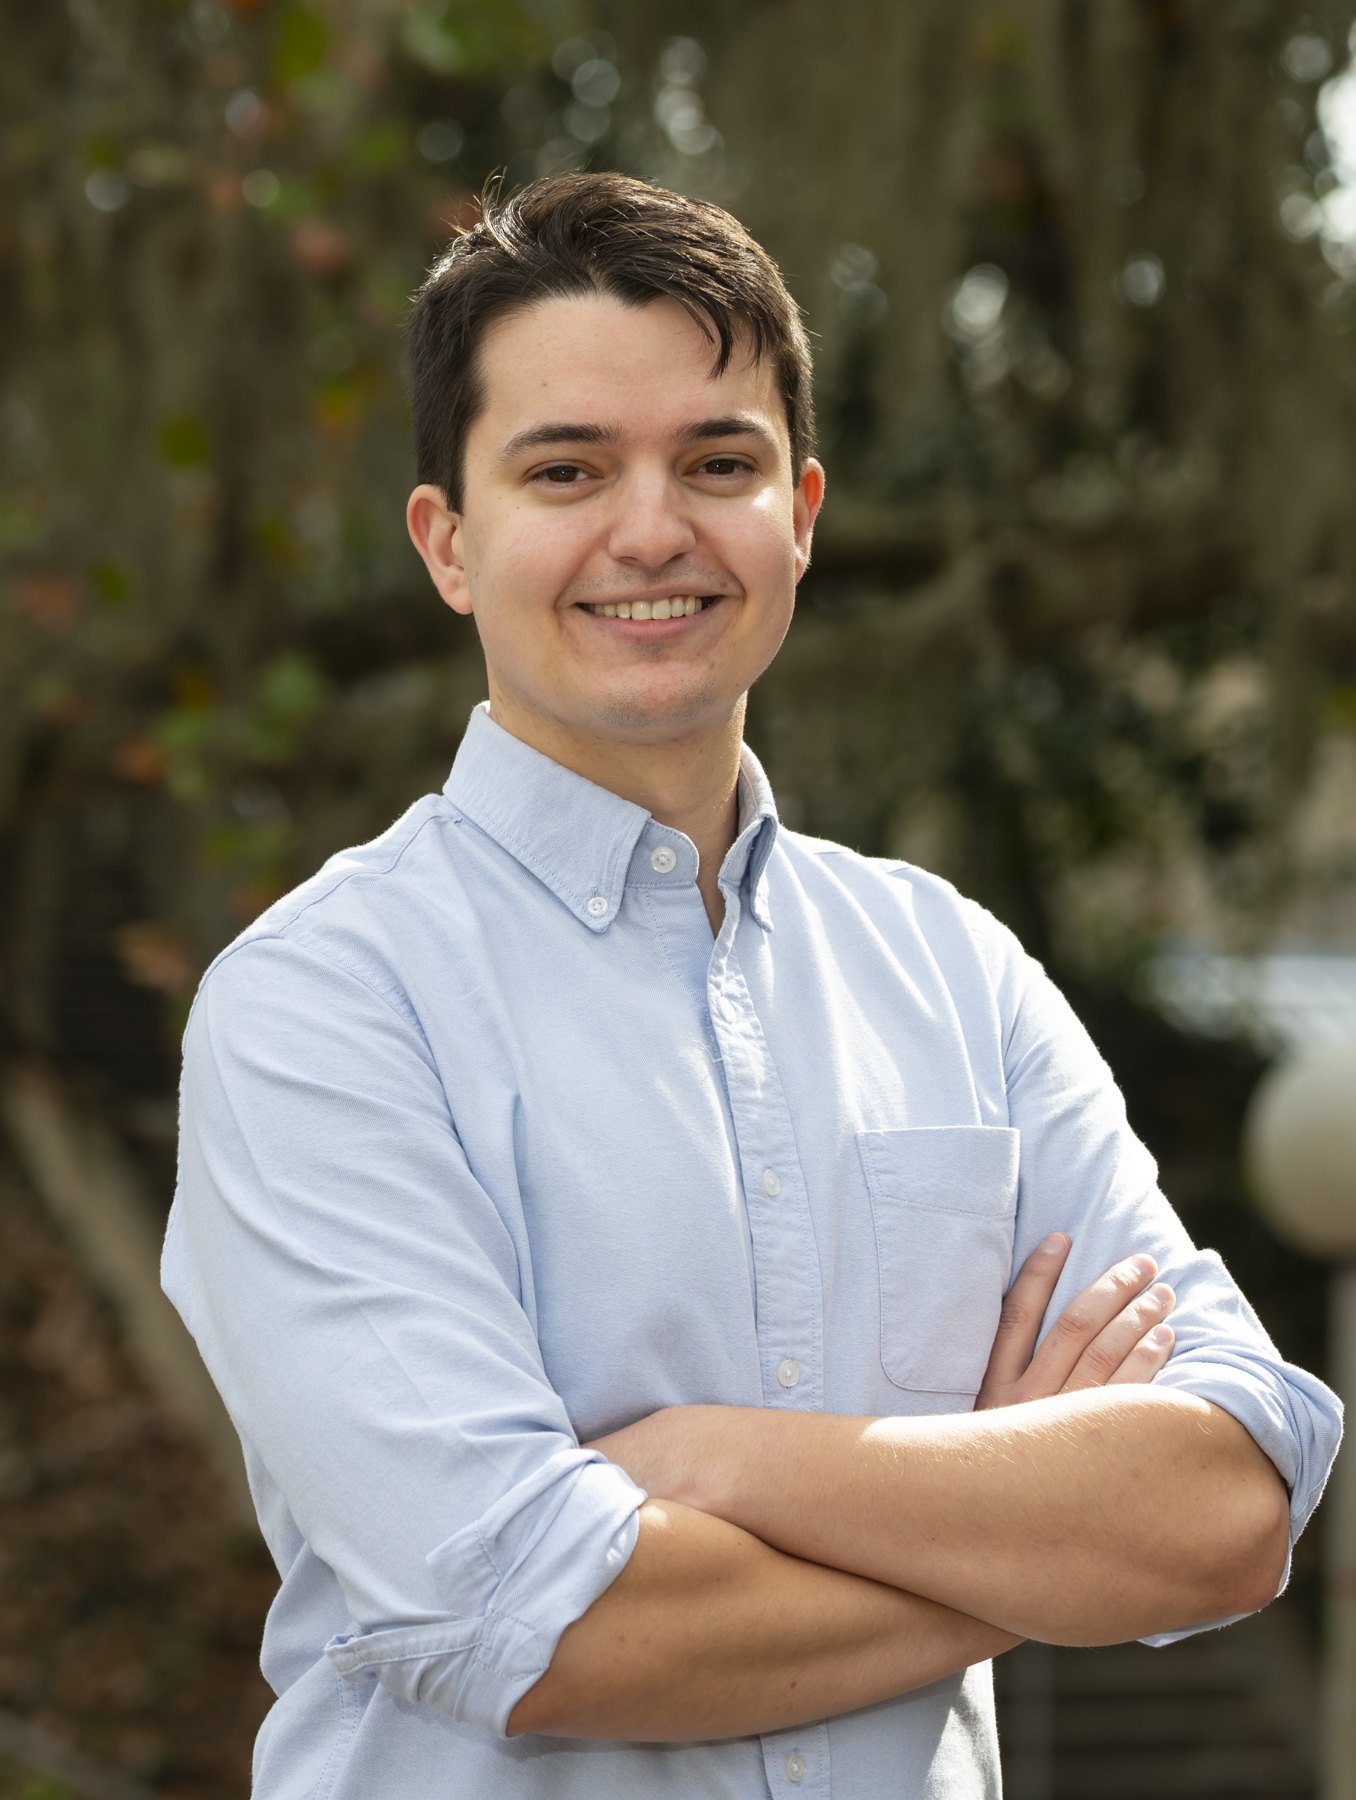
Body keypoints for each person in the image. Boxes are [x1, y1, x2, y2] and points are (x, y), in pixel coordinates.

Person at [163, 173, 1340, 1799]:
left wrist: (721, 1464)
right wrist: (1024, 1545)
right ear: (448, 544)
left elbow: (1226, 1511)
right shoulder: (323, 1008)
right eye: (567, 469)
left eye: (717, 463)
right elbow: (541, 1626)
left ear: (801, 512)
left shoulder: (956, 975)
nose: (653, 530)